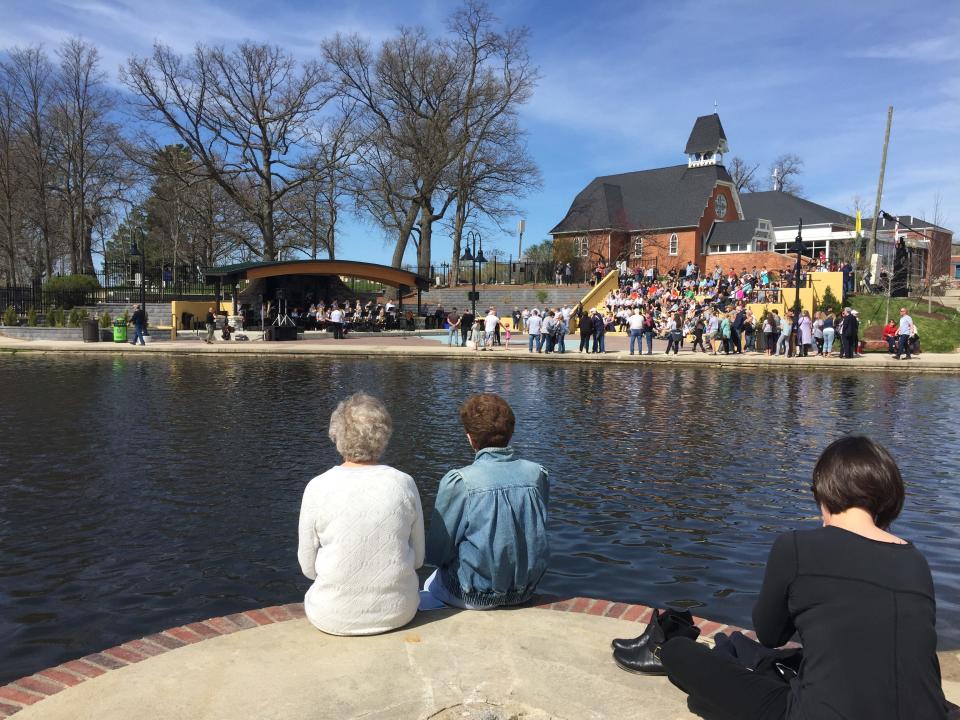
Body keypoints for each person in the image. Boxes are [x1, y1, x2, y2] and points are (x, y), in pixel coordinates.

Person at [650, 436, 951, 720]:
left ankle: (672, 645)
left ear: (824, 491)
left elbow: (770, 634)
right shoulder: (915, 560)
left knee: (681, 654)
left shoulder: (795, 546)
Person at [297, 393, 424, 635]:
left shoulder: (318, 486)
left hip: (332, 615)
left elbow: (308, 568)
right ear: (383, 435)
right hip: (399, 611)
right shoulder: (404, 483)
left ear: (337, 435)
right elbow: (418, 559)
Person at [423, 394, 549, 610]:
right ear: (511, 432)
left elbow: (439, 551)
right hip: (525, 590)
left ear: (470, 438)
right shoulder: (537, 474)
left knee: (429, 583)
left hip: (474, 593)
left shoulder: (461, 481)